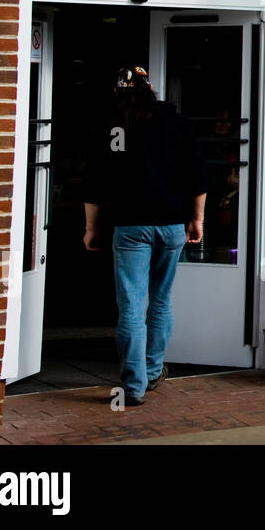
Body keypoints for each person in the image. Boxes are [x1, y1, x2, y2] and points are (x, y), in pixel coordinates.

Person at [83, 66, 207, 407]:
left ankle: (134, 385)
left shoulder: (111, 127)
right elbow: (198, 176)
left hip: (130, 226)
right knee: (161, 301)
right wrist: (197, 219)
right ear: (150, 88)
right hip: (170, 225)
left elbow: (93, 182)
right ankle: (152, 371)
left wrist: (91, 227)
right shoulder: (175, 123)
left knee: (132, 308)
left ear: (116, 93)